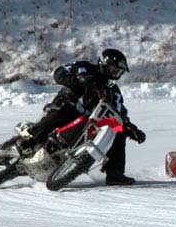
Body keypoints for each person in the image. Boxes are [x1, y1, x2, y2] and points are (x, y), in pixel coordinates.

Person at [17, 48, 146, 186]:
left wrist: (131, 129)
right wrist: (78, 80)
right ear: (103, 64)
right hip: (67, 104)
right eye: (113, 70)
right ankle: (30, 140)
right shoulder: (85, 68)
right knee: (64, 110)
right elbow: (59, 73)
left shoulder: (113, 91)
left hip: (87, 121)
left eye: (118, 72)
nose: (115, 74)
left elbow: (120, 112)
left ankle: (115, 174)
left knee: (118, 131)